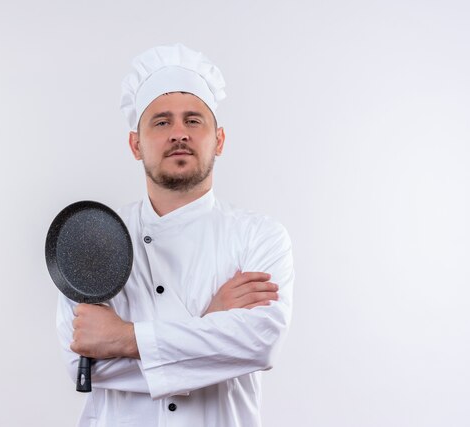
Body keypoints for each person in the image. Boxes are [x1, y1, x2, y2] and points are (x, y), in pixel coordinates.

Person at [56, 43, 294, 427]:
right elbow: (84, 368)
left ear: (219, 140)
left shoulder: (259, 235)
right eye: (162, 122)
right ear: (136, 144)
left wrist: (124, 339)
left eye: (194, 120)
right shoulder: (94, 236)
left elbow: (260, 343)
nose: (179, 134)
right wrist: (213, 324)